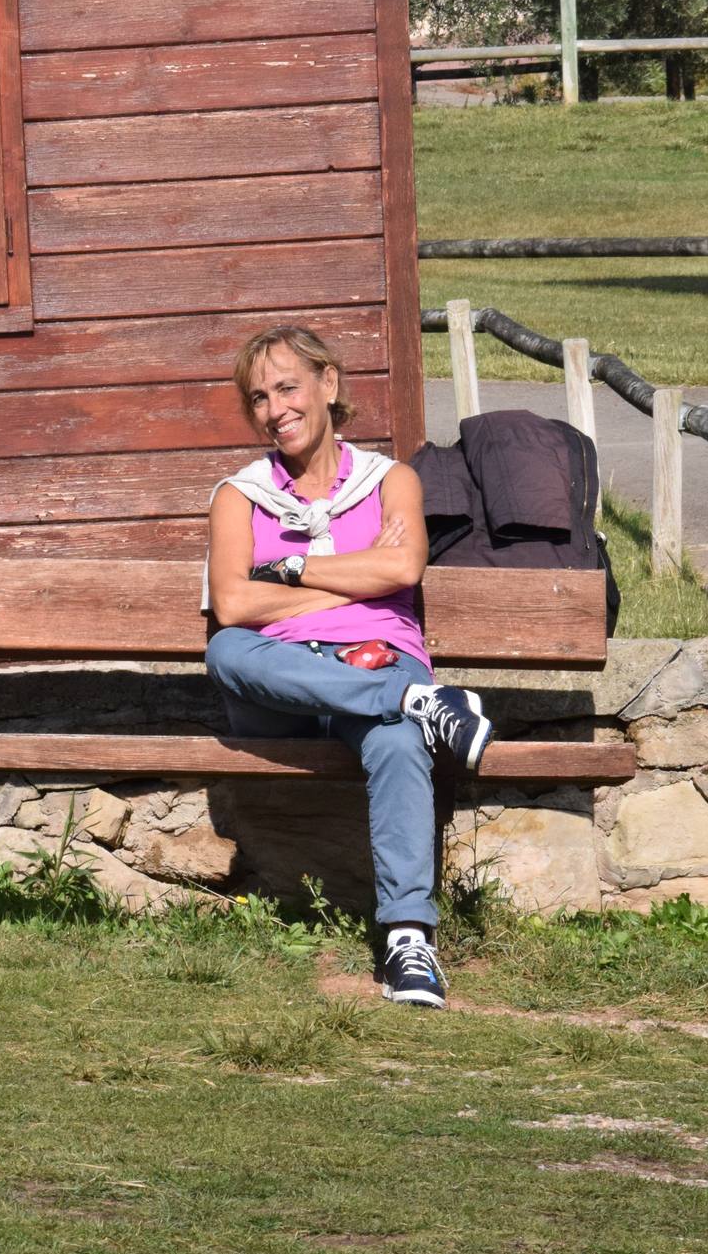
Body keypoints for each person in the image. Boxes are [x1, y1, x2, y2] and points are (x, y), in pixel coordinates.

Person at [204, 326, 492, 1009]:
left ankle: (407, 940)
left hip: (373, 656)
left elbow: (401, 566)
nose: (273, 409)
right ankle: (415, 698)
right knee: (226, 650)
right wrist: (350, 580)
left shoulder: (390, 480)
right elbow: (232, 603)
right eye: (258, 398)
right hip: (280, 681)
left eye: (286, 388)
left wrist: (294, 567)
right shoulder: (238, 496)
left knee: (393, 739)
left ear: (327, 386)